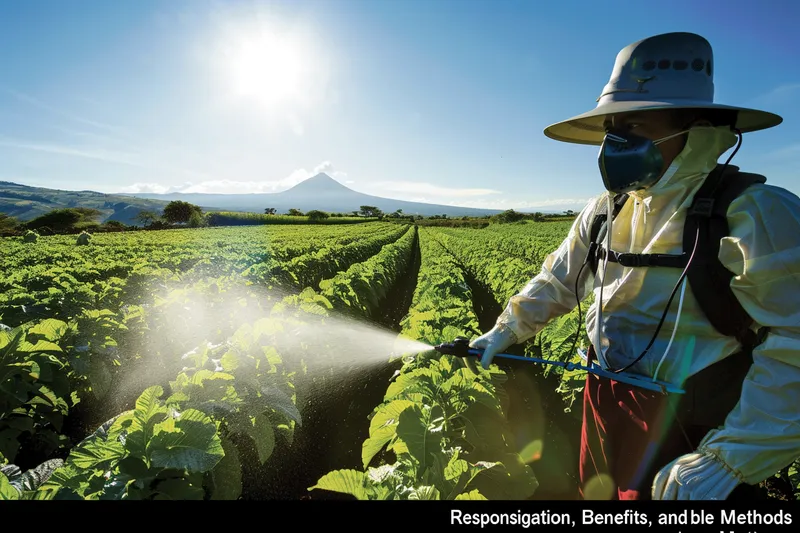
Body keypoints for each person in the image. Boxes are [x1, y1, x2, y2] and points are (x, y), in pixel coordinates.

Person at [470, 32, 800, 500]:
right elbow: (558, 279)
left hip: (693, 428)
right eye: (612, 130)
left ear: (695, 131)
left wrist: (730, 458)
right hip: (603, 399)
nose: (615, 144)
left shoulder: (753, 212)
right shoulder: (606, 209)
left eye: (636, 130)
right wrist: (506, 330)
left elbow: (797, 341)